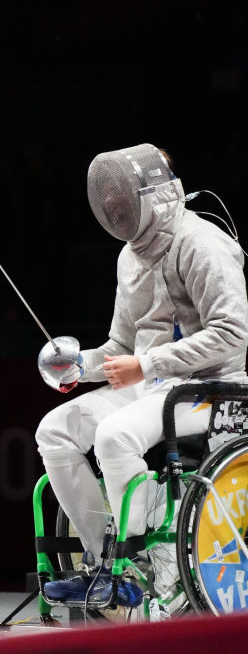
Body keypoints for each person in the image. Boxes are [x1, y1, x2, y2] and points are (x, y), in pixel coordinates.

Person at [35, 144, 248, 605]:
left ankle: (139, 562)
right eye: (107, 198)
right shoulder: (130, 256)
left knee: (114, 436)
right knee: (54, 430)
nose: (113, 207)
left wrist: (146, 364)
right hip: (154, 388)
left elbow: (232, 335)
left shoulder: (203, 243)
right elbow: (121, 347)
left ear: (151, 195)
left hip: (210, 391)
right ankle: (104, 564)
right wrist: (80, 366)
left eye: (120, 196)